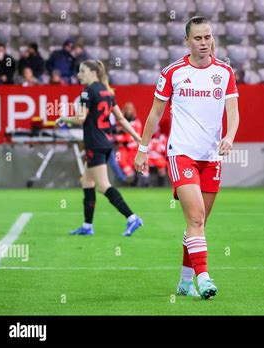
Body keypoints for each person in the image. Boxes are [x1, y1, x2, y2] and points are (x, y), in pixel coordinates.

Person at [134, 16, 240, 300]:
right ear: (187, 41)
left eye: (208, 37)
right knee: (195, 217)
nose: (204, 43)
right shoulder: (173, 72)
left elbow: (233, 111)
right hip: (181, 153)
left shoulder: (225, 72)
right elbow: (155, 113)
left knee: (199, 224)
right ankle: (203, 278)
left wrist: (229, 137)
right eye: (198, 38)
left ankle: (184, 281)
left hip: (211, 157)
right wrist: (143, 150)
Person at [55, 59, 143, 236]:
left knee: (103, 185)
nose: (79, 75)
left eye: (82, 71)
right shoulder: (107, 92)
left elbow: (80, 119)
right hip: (106, 143)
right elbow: (121, 119)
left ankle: (132, 218)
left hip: (94, 143)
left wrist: (63, 118)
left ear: (93, 72)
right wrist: (136, 136)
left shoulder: (87, 92)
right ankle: (87, 226)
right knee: (86, 182)